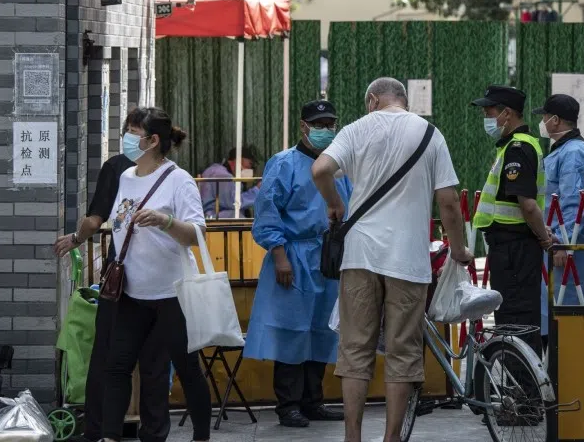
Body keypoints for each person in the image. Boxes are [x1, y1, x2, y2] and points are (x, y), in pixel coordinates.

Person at [312, 78, 473, 442]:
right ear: (403, 99)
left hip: (360, 256)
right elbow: (447, 202)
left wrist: (335, 203)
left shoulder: (355, 130)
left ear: (372, 100)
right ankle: (391, 438)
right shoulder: (431, 135)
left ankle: (352, 435)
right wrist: (459, 249)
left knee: (355, 348)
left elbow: (320, 169)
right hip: (407, 259)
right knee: (402, 351)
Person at [100, 108, 212, 442]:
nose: (127, 137)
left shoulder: (179, 180)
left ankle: (202, 437)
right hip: (131, 292)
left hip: (171, 293)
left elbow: (197, 234)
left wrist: (164, 222)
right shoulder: (126, 177)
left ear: (153, 140)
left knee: (187, 367)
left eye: (134, 131)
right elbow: (120, 223)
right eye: (127, 129)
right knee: (117, 366)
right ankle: (109, 436)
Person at [244, 100, 352, 428]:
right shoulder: (284, 164)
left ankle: (313, 401)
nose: (326, 129)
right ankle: (288, 405)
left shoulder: (338, 166)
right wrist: (279, 256)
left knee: (321, 329)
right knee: (292, 330)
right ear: (303, 126)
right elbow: (267, 211)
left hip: (327, 255)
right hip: (293, 254)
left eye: (331, 123)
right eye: (319, 124)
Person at [54, 153, 133, 442]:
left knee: (108, 355)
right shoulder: (171, 175)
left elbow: (95, 219)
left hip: (121, 278)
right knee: (149, 361)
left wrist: (75, 238)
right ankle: (146, 428)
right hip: (154, 285)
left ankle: (100, 429)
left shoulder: (119, 168)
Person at [471, 85, 552, 356]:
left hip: (516, 248)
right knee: (513, 315)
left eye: (489, 111)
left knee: (517, 319)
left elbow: (527, 205)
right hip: (511, 247)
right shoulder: (512, 146)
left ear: (507, 114)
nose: (486, 117)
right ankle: (521, 384)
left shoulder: (518, 148)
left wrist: (543, 237)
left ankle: (525, 390)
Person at [534, 94, 584, 305]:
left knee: (565, 310)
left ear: (556, 120)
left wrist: (563, 242)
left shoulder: (574, 153)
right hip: (552, 241)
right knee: (551, 308)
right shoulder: (563, 150)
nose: (542, 123)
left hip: (565, 248)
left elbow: (572, 201)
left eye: (545, 117)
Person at [199, 147, 260, 218]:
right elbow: (233, 203)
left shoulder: (216, 170)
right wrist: (257, 190)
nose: (250, 167)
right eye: (250, 163)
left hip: (215, 214)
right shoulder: (221, 174)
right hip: (213, 216)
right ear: (239, 160)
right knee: (236, 216)